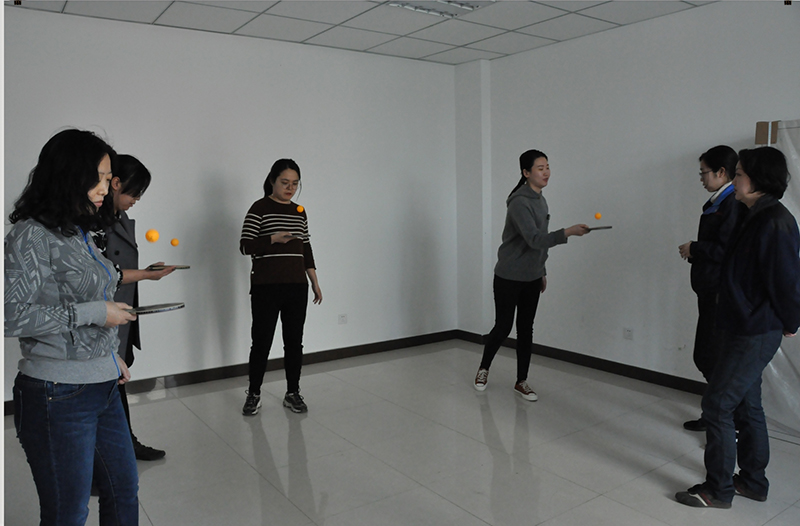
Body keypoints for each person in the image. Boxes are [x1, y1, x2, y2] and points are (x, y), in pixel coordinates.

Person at [4, 129, 140, 525]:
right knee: (68, 513)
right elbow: (13, 315)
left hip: (103, 385)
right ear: (68, 175)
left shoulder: (78, 231)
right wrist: (96, 313)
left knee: (123, 492)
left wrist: (107, 354)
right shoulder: (31, 234)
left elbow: (87, 299)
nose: (105, 188)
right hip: (56, 393)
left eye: (108, 178)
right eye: (98, 178)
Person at [676, 146, 800, 509]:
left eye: (741, 173)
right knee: (747, 404)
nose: (735, 178)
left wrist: (791, 321)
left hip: (754, 329)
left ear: (758, 180)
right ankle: (753, 482)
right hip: (740, 323)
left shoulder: (775, 221)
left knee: (717, 405)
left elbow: (786, 281)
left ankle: (718, 490)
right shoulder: (751, 213)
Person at [474, 149, 589, 401]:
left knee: (526, 329)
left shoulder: (540, 199)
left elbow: (540, 244)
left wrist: (541, 271)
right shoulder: (519, 202)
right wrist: (568, 232)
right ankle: (484, 368)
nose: (546, 172)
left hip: (532, 277)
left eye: (547, 167)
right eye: (540, 168)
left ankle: (521, 381)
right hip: (508, 276)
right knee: (503, 327)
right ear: (526, 173)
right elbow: (535, 239)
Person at [97, 154, 176, 460]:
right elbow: (102, 274)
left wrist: (145, 272)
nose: (137, 200)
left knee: (116, 380)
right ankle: (118, 449)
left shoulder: (118, 218)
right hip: (104, 314)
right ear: (116, 183)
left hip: (122, 310)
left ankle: (123, 445)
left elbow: (116, 268)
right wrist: (145, 274)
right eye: (135, 193)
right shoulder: (94, 223)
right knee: (108, 384)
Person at [239, 158, 322, 415]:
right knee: (261, 342)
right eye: (285, 182)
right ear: (272, 181)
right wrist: (272, 239)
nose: (290, 188)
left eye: (295, 183)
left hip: (297, 286)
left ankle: (292, 392)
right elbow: (245, 246)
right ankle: (253, 393)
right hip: (266, 286)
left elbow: (305, 249)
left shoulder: (299, 211)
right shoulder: (259, 208)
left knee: (294, 342)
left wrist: (314, 281)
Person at [678, 145, 742, 432]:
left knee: (709, 357)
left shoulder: (732, 203)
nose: (702, 178)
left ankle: (726, 420)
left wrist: (695, 248)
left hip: (719, 292)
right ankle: (715, 415)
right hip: (708, 290)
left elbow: (726, 249)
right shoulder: (720, 201)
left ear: (721, 172)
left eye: (704, 173)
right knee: (707, 356)